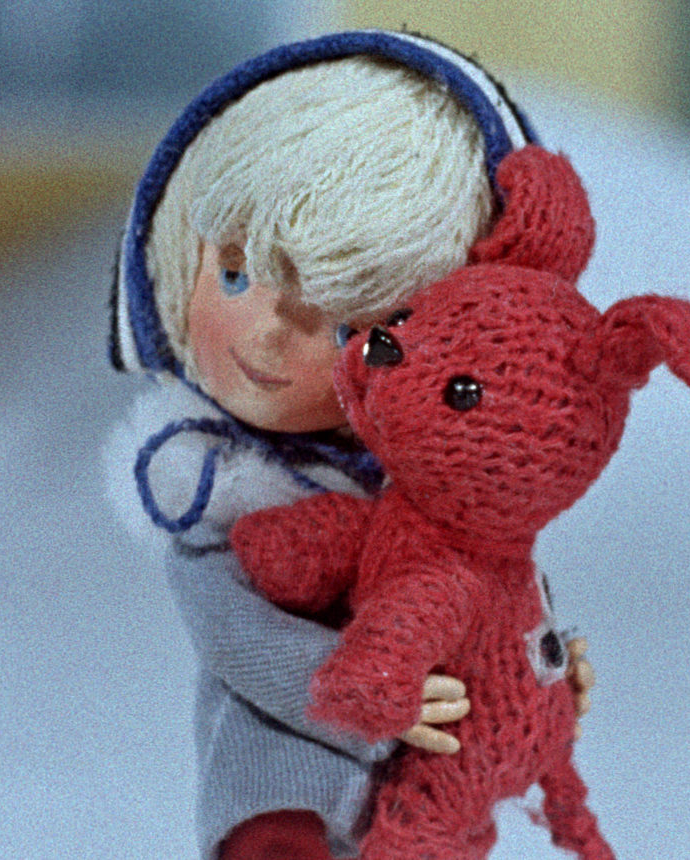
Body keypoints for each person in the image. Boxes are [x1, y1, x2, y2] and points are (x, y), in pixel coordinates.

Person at [103, 31, 593, 859]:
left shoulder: (434, 486)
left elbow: (498, 596)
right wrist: (371, 693)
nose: (266, 338)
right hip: (282, 786)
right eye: (235, 275)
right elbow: (237, 641)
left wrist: (542, 671)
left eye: (345, 326)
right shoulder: (213, 490)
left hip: (429, 791)